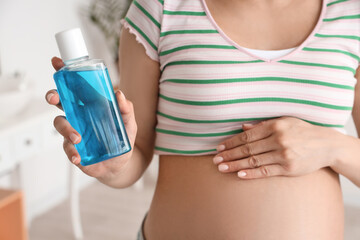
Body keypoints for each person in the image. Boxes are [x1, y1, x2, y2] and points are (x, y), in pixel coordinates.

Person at [46, 0, 360, 239]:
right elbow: (136, 150)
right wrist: (113, 166)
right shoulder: (162, 8)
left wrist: (334, 147)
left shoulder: (352, 15)